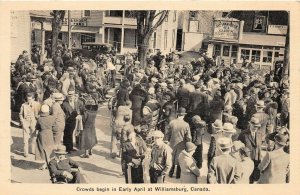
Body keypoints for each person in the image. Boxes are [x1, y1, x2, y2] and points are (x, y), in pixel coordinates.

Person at [166, 107, 192, 179]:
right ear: (184, 115)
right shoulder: (186, 124)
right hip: (181, 144)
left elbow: (167, 133)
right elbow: (188, 137)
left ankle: (170, 173)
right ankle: (178, 175)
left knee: (172, 157)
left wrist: (167, 141)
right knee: (179, 159)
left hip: (172, 143)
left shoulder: (172, 122)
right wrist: (189, 144)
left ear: (177, 114)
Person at [238, 117, 263, 183]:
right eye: (254, 126)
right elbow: (239, 146)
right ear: (250, 124)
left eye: (257, 127)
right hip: (247, 160)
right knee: (247, 177)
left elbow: (259, 147)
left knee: (255, 178)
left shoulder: (260, 134)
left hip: (257, 160)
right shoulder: (243, 134)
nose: (255, 128)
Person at [19, 93, 40, 157]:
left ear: (33, 99)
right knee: (25, 137)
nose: (29, 101)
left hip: (34, 121)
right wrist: (22, 122)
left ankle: (32, 150)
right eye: (28, 99)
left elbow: (40, 113)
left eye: (30, 99)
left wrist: (37, 120)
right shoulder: (23, 105)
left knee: (34, 137)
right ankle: (26, 152)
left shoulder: (37, 104)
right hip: (26, 122)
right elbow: (20, 114)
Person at [35, 104, 55, 170]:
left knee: (42, 148)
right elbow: (54, 125)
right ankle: (49, 163)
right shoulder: (51, 118)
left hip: (42, 134)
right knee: (49, 148)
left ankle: (44, 164)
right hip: (49, 134)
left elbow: (37, 127)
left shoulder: (39, 119)